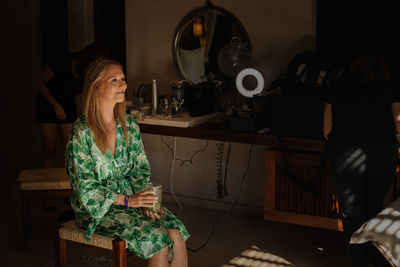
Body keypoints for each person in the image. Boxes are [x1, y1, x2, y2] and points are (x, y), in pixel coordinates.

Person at [65, 58, 189, 266]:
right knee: (156, 238)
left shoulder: (129, 125)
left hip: (132, 200)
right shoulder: (82, 131)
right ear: (95, 86)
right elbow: (85, 188)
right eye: (114, 80)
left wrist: (146, 201)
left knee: (175, 231)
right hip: (98, 209)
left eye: (123, 79)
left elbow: (140, 171)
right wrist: (127, 201)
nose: (123, 85)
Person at [323, 48, 400, 266]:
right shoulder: (391, 87)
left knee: (351, 216)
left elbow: (326, 131)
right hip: (383, 156)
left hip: (347, 156)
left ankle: (358, 262)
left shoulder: (337, 86)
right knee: (374, 208)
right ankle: (375, 260)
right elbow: (399, 120)